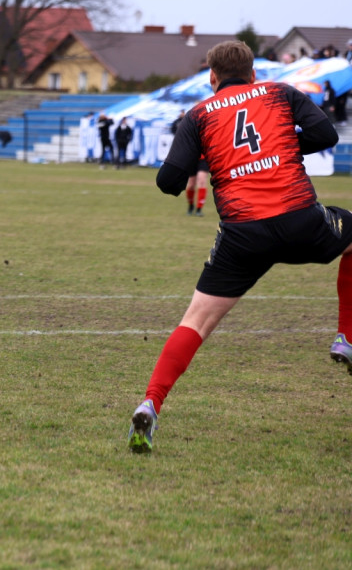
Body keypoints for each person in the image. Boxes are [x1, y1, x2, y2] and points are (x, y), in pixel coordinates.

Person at [126, 40, 347, 454]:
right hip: (300, 219)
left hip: (244, 234)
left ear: (211, 77)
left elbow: (168, 182)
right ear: (254, 74)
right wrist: (279, 149)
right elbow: (325, 133)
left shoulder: (199, 115)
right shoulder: (279, 92)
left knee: (196, 321)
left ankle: (150, 403)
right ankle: (346, 337)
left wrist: (214, 155)